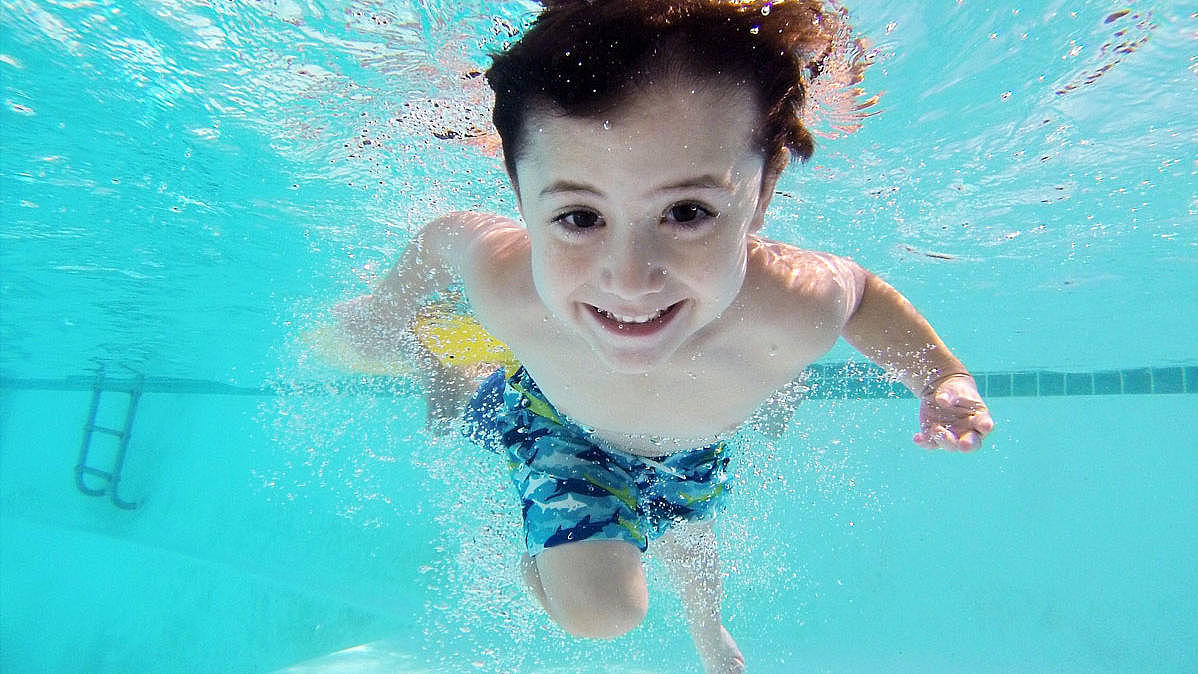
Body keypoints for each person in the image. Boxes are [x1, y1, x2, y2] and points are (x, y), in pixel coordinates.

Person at [334, 1, 995, 671]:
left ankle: (708, 631)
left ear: (762, 194)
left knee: (687, 525)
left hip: (689, 445)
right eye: (579, 217)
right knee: (603, 613)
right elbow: (444, 238)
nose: (629, 280)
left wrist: (940, 376)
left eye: (686, 212)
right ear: (518, 192)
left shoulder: (795, 302)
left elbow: (862, 295)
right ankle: (449, 378)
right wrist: (383, 313)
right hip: (555, 424)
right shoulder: (508, 282)